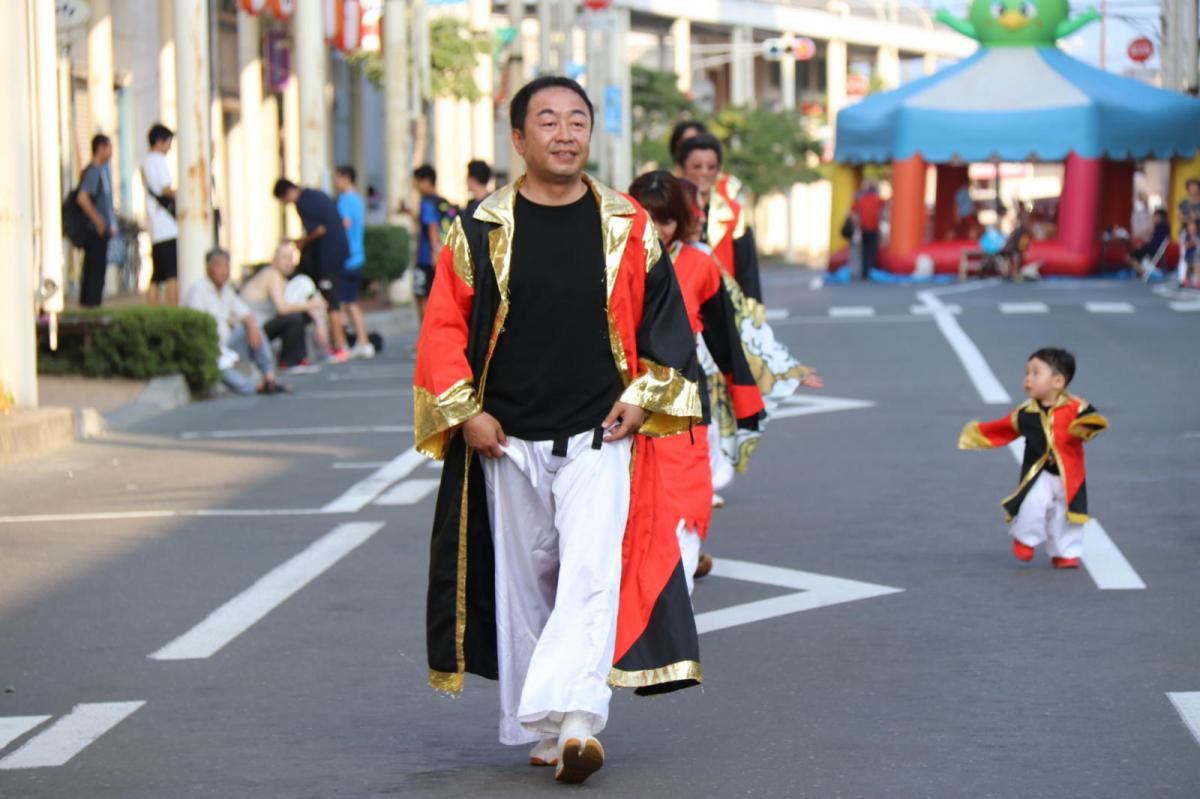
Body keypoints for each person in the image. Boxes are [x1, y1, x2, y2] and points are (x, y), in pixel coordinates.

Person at [415, 76, 703, 784]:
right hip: (505, 441)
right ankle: (542, 726)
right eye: (548, 120)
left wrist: (642, 396)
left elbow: (667, 323)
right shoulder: (479, 228)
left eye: (577, 120)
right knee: (524, 585)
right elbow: (444, 328)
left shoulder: (627, 225)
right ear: (519, 138)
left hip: (599, 437)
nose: (565, 133)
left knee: (589, 575)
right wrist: (467, 411)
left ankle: (578, 722)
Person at [628, 170, 764, 593]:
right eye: (644, 216)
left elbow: (725, 340)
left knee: (685, 504)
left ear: (680, 221)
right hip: (620, 406)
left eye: (663, 218)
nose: (653, 227)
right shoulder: (610, 262)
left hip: (682, 406)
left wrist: (747, 406)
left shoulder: (701, 266)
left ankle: (677, 604)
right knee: (628, 513)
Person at [958, 347, 1108, 569]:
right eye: (1027, 373)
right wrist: (977, 434)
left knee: (1066, 515)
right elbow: (1004, 428)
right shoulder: (1025, 413)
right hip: (1040, 472)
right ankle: (1025, 539)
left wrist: (1084, 428)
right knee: (1033, 504)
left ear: (1058, 381)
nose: (1028, 379)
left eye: (1036, 373)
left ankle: (1065, 553)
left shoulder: (1077, 407)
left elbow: (1093, 422)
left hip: (1070, 474)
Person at [185, 249, 289, 395]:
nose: (223, 271)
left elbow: (245, 313)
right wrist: (214, 349)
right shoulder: (198, 290)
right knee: (218, 364)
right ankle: (255, 387)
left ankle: (269, 376)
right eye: (218, 266)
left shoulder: (227, 290)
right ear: (208, 268)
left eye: (226, 266)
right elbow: (195, 327)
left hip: (227, 346)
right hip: (208, 348)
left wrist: (251, 325)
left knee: (253, 326)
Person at [674, 133, 763, 302]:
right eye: (697, 166)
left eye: (711, 167)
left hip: (723, 304)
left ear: (719, 170)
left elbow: (747, 272)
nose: (704, 173)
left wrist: (751, 311)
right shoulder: (669, 211)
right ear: (681, 169)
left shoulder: (734, 214)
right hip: (682, 303)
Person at [273, 178, 353, 362]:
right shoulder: (316, 194)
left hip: (328, 255)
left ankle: (340, 346)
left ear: (288, 193)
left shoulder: (303, 202)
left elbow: (319, 230)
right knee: (334, 298)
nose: (287, 204)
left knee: (330, 299)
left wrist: (301, 243)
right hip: (339, 252)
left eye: (284, 200)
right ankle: (339, 343)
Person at [240, 242, 328, 368]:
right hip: (253, 328)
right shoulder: (272, 275)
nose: (289, 263)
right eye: (284, 258)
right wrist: (310, 305)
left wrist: (319, 323)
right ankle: (288, 361)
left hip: (262, 325)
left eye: (291, 258)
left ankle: (301, 356)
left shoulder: (283, 280)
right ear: (274, 259)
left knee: (304, 285)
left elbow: (307, 297)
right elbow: (283, 309)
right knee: (294, 316)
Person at [333, 165, 374, 359]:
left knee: (342, 303)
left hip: (345, 258)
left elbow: (345, 223)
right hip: (358, 257)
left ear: (346, 178)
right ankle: (361, 341)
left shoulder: (344, 200)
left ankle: (344, 344)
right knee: (351, 302)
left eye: (337, 178)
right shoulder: (358, 200)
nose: (335, 182)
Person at [411, 164, 457, 324]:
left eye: (416, 181)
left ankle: (426, 334)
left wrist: (434, 251)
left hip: (427, 258)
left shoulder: (427, 202)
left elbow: (432, 226)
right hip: (444, 256)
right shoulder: (442, 201)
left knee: (421, 296)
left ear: (425, 181)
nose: (415, 185)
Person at [75, 134, 116, 307]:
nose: (111, 152)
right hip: (95, 231)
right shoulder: (93, 172)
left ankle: (93, 304)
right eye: (109, 147)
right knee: (94, 271)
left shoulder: (102, 171)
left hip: (101, 230)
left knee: (97, 271)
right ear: (100, 148)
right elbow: (82, 198)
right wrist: (99, 221)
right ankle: (91, 306)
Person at [140, 124, 179, 305]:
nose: (169, 147)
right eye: (168, 142)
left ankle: (153, 308)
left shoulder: (145, 161)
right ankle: (173, 308)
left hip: (155, 224)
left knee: (157, 274)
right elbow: (166, 189)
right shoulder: (158, 160)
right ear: (160, 141)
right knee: (172, 272)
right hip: (167, 226)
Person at [851, 181, 885, 280]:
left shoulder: (861, 200)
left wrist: (857, 226)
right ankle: (871, 271)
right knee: (872, 251)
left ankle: (864, 273)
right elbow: (883, 209)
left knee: (865, 251)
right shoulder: (877, 200)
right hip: (873, 228)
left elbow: (853, 213)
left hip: (864, 228)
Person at [1125, 208, 1170, 280]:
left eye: (1155, 216)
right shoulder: (1166, 226)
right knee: (1139, 253)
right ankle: (1143, 271)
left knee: (1129, 256)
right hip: (1158, 249)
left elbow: (1149, 237)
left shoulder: (1158, 226)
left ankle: (1143, 272)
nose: (1154, 218)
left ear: (1159, 216)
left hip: (1152, 249)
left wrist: (1141, 245)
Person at [1178, 217, 1199, 289]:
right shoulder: (1187, 236)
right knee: (1188, 263)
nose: (1192, 229)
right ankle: (1185, 279)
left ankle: (1197, 280)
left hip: (1196, 256)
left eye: (1193, 227)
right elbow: (1185, 246)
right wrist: (1192, 243)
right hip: (1189, 256)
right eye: (1190, 227)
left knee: (1197, 262)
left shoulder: (1197, 236)